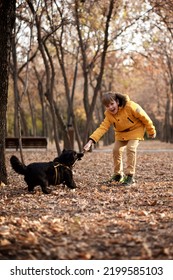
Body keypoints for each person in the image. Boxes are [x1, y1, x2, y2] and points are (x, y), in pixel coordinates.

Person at [83, 92, 156, 186]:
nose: (110, 107)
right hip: (121, 133)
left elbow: (145, 117)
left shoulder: (130, 106)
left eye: (112, 104)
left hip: (135, 129)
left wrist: (151, 131)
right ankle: (118, 175)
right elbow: (102, 128)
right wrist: (90, 142)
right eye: (107, 106)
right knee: (116, 150)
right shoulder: (109, 115)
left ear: (117, 101)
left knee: (131, 148)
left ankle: (130, 176)